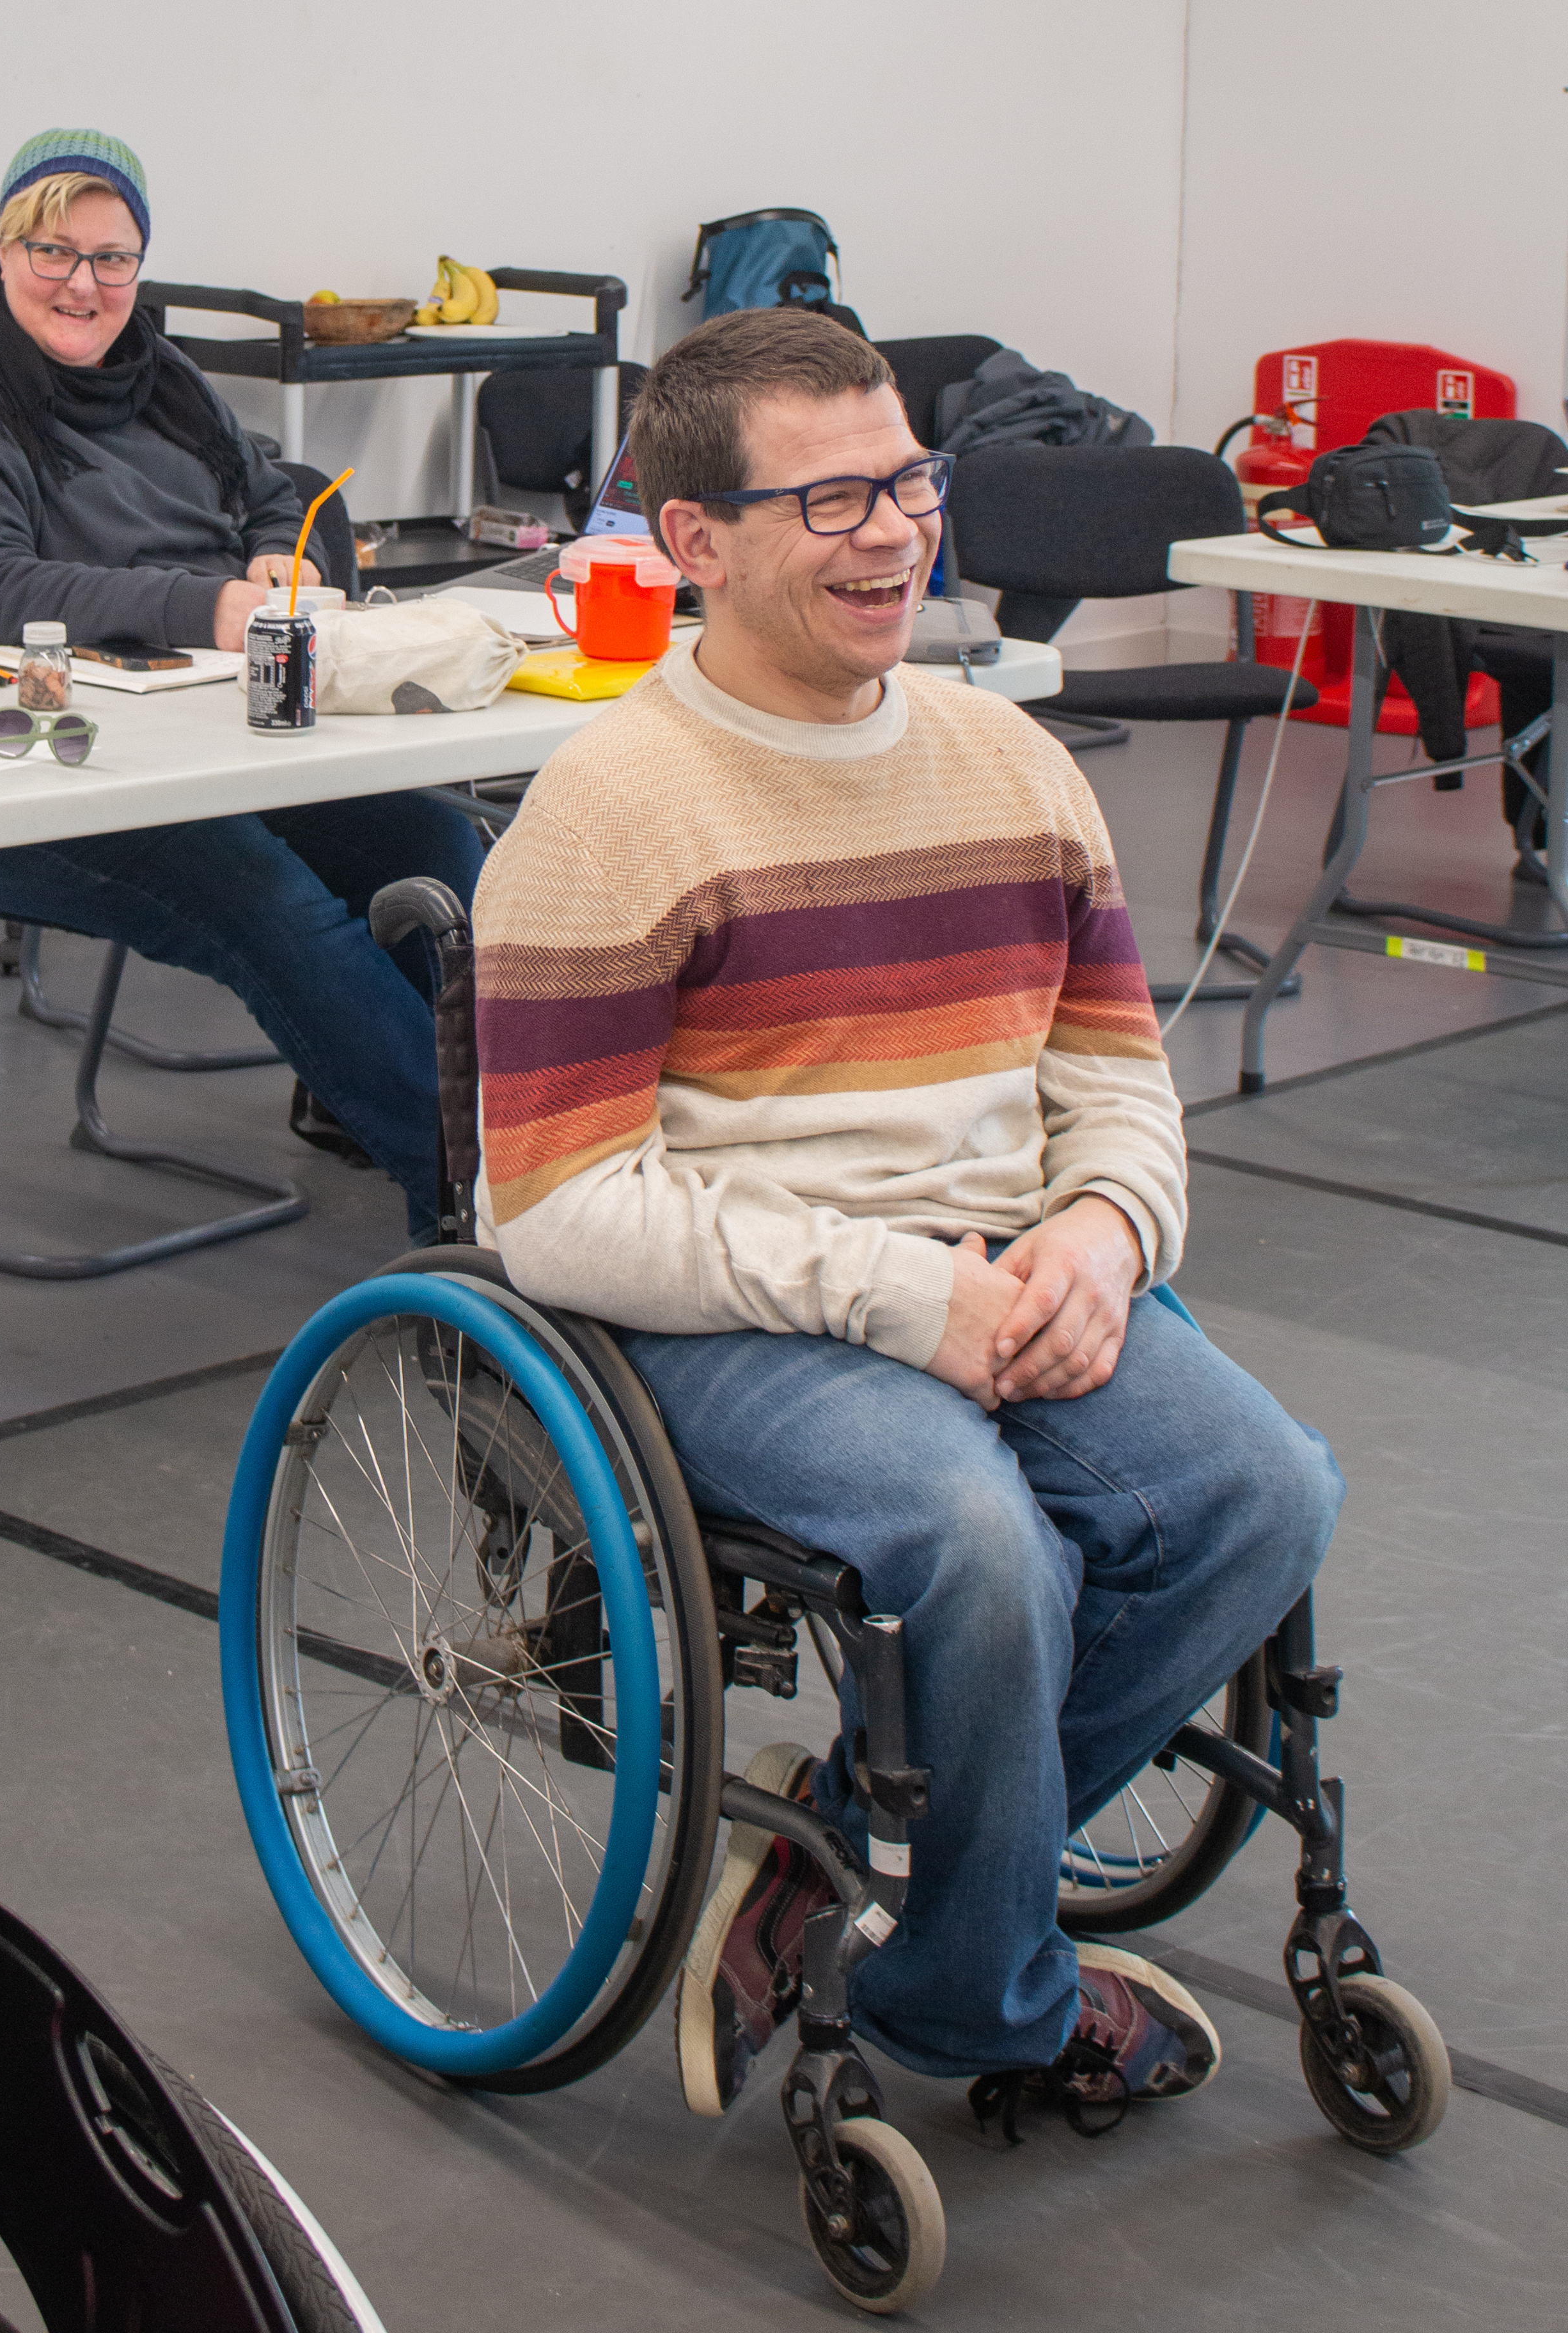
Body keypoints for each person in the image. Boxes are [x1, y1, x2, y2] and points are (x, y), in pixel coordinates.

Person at [470, 308, 1344, 2127]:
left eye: (911, 481)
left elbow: (1112, 1075)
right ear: (694, 538)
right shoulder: (607, 810)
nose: (895, 532)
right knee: (984, 1550)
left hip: (1011, 1270)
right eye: (835, 498)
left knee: (1268, 1494)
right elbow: (556, 1209)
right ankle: (996, 1989)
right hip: (747, 1319)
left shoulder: (1011, 764)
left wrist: (1105, 1233)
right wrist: (895, 1298)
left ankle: (875, 1899)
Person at [0, 128, 483, 1235]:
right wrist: (200, 606)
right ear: (3, 248)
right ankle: (476, 1204)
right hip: (20, 762)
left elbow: (269, 488)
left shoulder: (163, 376)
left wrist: (265, 554)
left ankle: (523, 1145)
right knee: (260, 898)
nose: (85, 284)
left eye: (115, 260)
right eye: (55, 252)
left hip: (208, 737)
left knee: (442, 851)